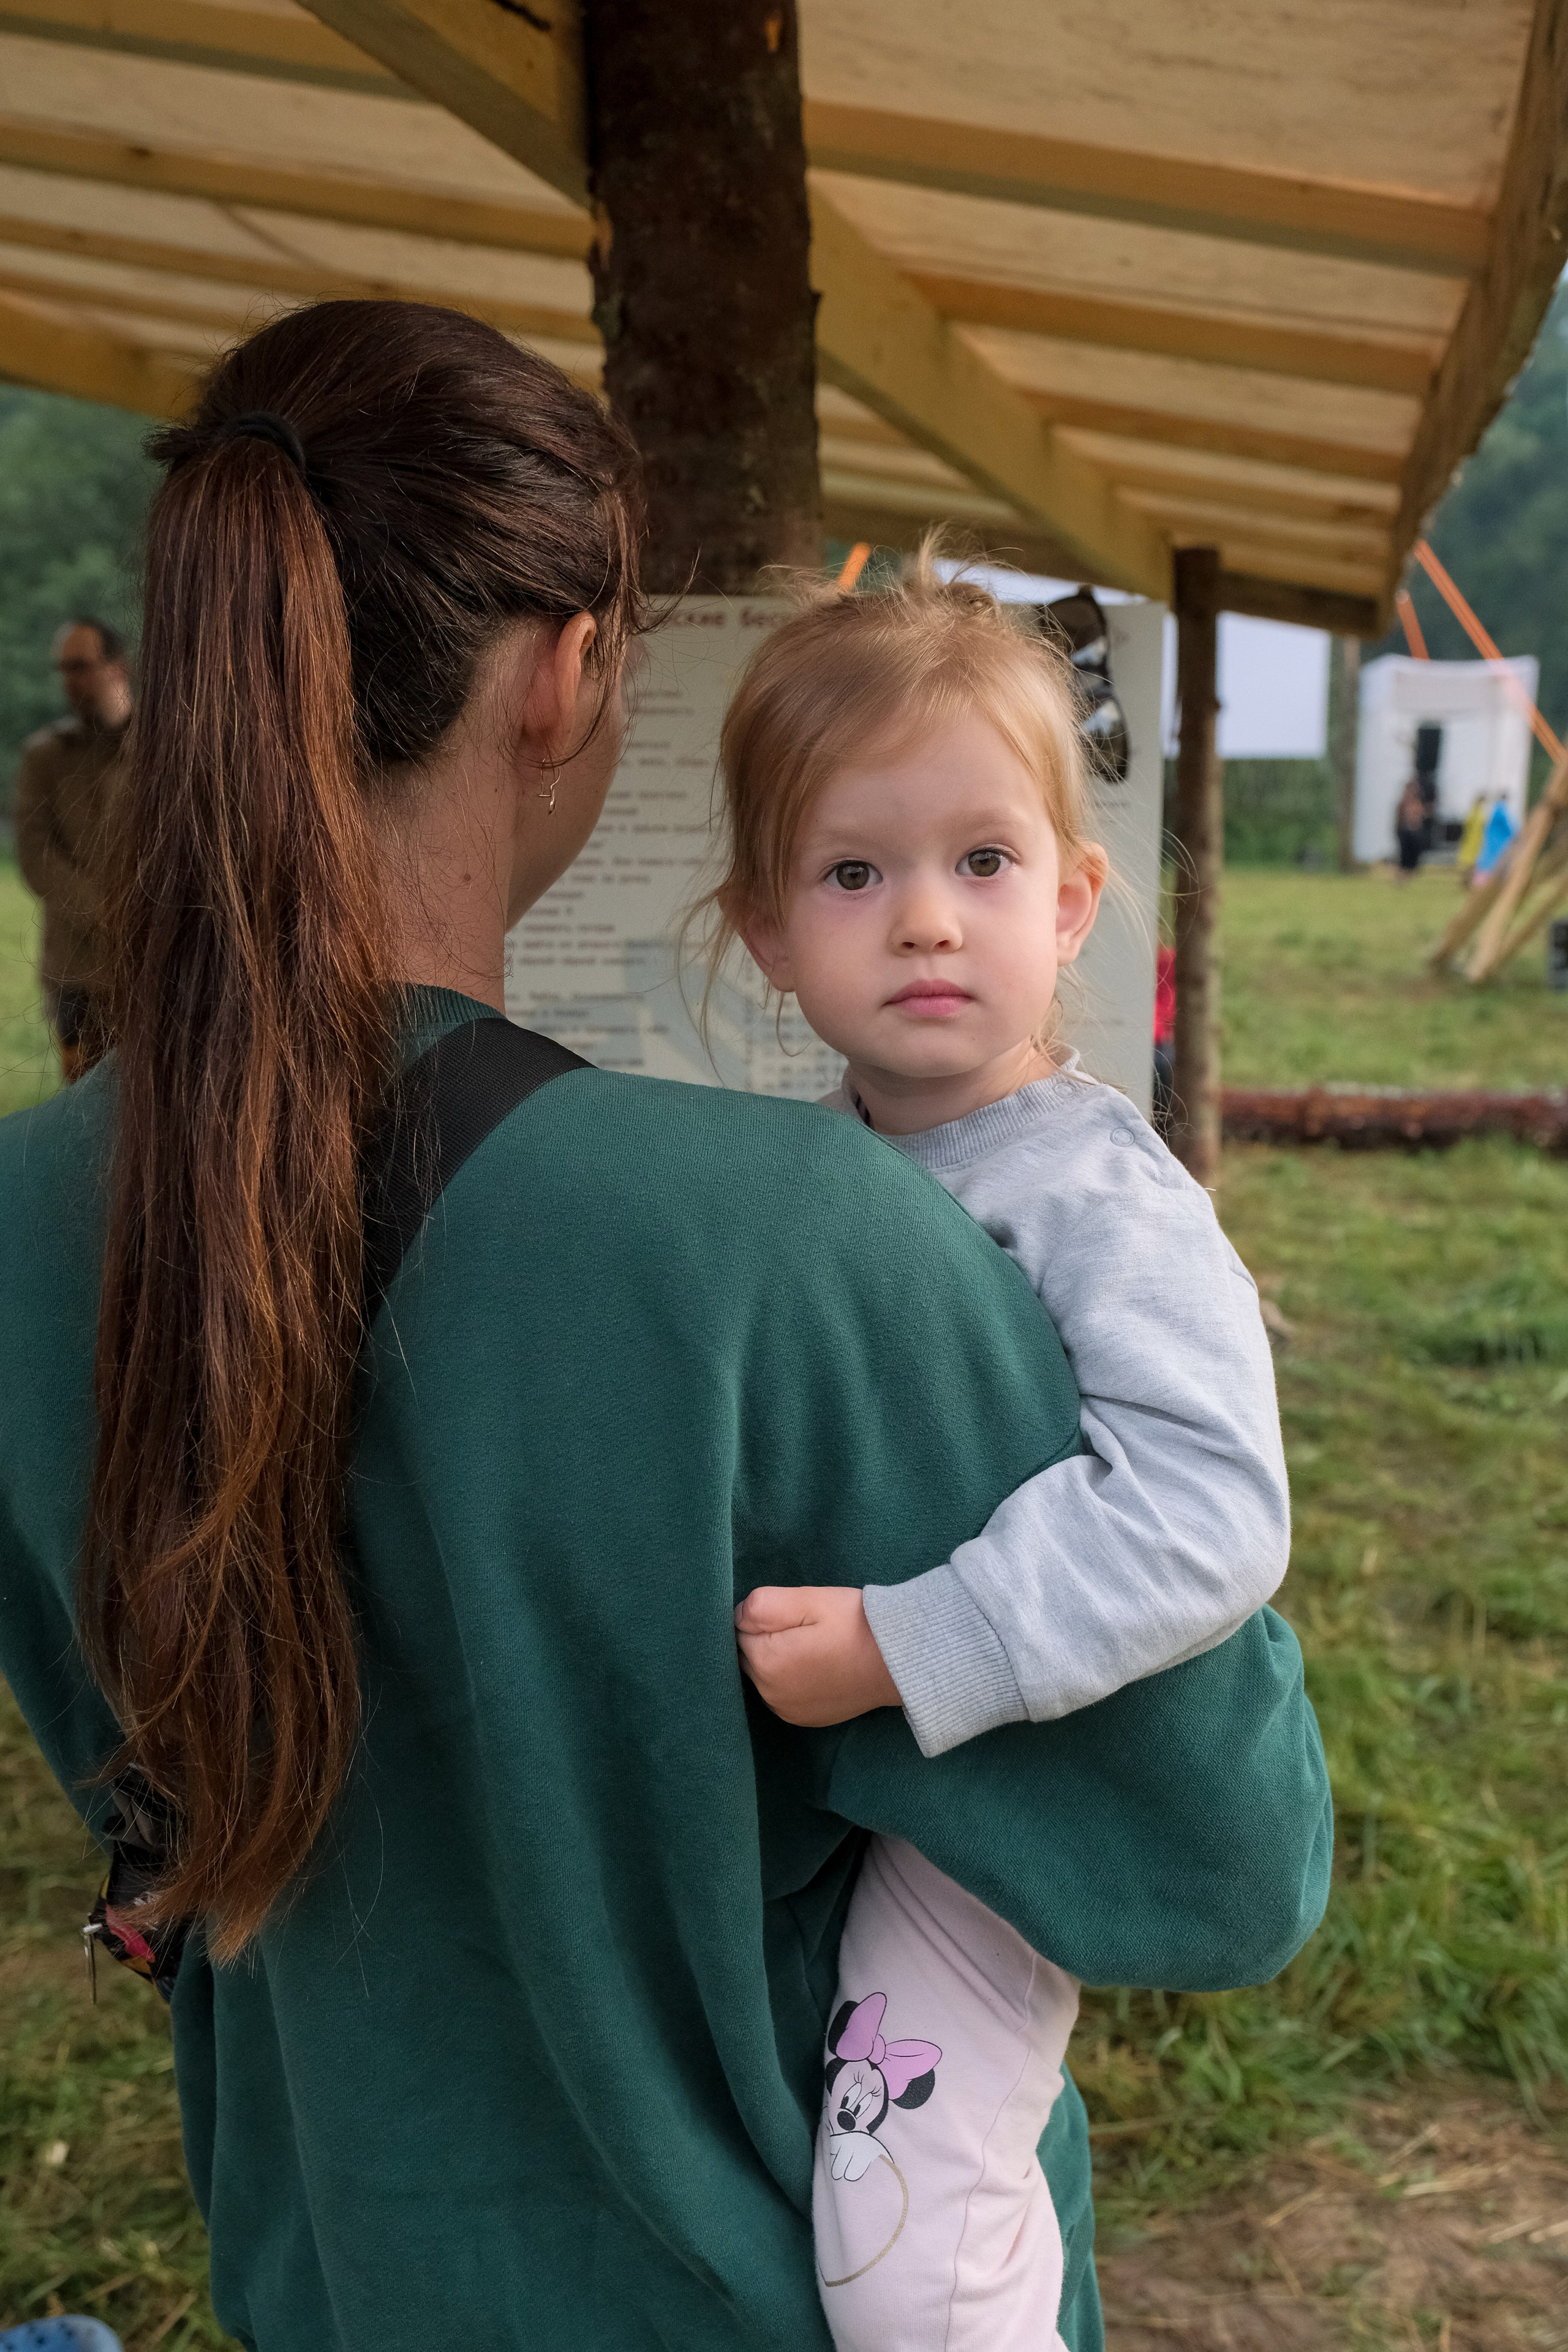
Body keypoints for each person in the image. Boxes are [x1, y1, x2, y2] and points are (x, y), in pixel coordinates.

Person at [0, 301, 1330, 2352]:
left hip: (331, 2264)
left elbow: (156, 1838)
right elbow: (1228, 1859)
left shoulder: (22, 1224)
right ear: (566, 676)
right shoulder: (794, 1243)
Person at [710, 567, 1289, 2350]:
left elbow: (1208, 1513)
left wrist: (907, 1639)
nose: (925, 925)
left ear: (1074, 898)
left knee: (905, 2225)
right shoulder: (819, 1177)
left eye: (982, 862)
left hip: (1009, 1798)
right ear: (761, 927)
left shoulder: (1089, 1190)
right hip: (881, 1783)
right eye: (854, 872)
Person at [12, 617, 132, 1077]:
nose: (69, 680)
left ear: (116, 667)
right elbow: (36, 856)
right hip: (77, 974)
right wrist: (112, 911)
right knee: (82, 1109)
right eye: (62, 669)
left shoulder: (162, 751)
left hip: (157, 970)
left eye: (80, 666)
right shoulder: (45, 758)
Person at [1394, 774, 1426, 880]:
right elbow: (1399, 818)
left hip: (1415, 832)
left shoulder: (1418, 802)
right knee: (1404, 855)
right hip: (1405, 831)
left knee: (1413, 855)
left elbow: (1420, 817)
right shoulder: (1403, 802)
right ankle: (1401, 876)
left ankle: (1408, 875)